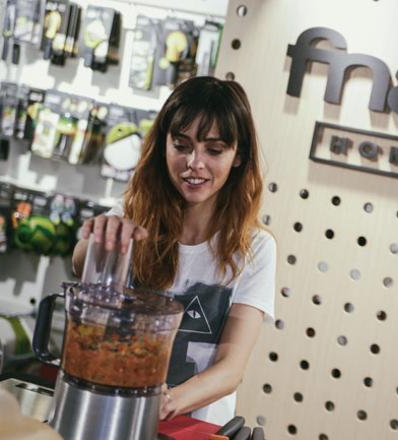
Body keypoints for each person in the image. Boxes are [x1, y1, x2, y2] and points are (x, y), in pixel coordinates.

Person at [71, 76, 276, 425]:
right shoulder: (135, 213)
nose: (194, 163)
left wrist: (165, 401)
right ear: (163, 144)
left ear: (238, 156)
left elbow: (231, 368)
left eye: (213, 150)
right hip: (114, 414)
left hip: (191, 426)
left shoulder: (254, 248)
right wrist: (101, 240)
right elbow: (80, 263)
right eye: (181, 145)